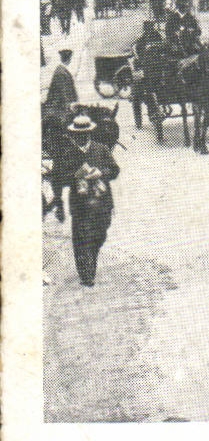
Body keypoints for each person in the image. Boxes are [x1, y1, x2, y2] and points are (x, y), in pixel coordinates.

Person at [66, 112, 120, 287]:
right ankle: (86, 274)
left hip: (101, 202)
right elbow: (59, 177)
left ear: (89, 133)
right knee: (81, 238)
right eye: (78, 135)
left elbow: (115, 170)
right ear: (74, 134)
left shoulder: (101, 149)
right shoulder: (68, 153)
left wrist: (101, 173)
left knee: (99, 235)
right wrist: (74, 176)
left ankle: (90, 261)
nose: (81, 137)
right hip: (80, 204)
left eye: (84, 134)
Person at [45, 48, 78, 117]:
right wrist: (69, 106)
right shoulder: (61, 72)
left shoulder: (61, 69)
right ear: (69, 59)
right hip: (58, 107)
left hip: (61, 104)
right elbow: (63, 91)